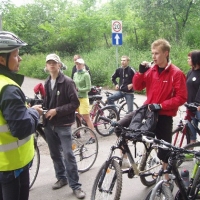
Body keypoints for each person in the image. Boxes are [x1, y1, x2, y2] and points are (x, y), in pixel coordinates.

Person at [116, 39, 187, 177]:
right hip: (146, 110)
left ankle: (166, 179)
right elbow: (137, 87)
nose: (153, 56)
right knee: (120, 126)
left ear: (166, 53)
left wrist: (161, 105)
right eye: (152, 53)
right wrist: (140, 73)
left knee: (164, 151)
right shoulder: (150, 70)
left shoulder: (176, 73)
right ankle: (125, 159)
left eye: (157, 53)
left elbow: (181, 97)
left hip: (163, 115)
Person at [0, 31, 43, 200]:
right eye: (16, 55)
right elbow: (22, 127)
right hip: (13, 166)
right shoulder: (8, 89)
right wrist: (33, 112)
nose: (20, 59)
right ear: (2, 60)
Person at [43, 53, 85, 199]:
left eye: (54, 62)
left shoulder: (67, 82)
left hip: (63, 124)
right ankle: (61, 178)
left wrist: (57, 111)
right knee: (55, 153)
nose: (52, 65)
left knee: (68, 154)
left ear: (59, 65)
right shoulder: (47, 82)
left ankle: (76, 186)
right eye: (49, 63)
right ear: (46, 66)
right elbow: (47, 103)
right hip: (50, 124)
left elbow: (75, 103)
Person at [73, 58, 95, 143]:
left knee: (86, 117)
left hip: (83, 98)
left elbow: (88, 88)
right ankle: (78, 133)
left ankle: (93, 137)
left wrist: (79, 89)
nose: (78, 66)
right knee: (77, 116)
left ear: (83, 65)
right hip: (76, 98)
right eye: (77, 64)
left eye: (79, 64)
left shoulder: (86, 74)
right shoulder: (75, 74)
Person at [185, 50, 200, 145]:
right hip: (191, 106)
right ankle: (190, 151)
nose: (187, 60)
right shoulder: (190, 72)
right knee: (191, 131)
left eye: (189, 58)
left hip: (198, 107)